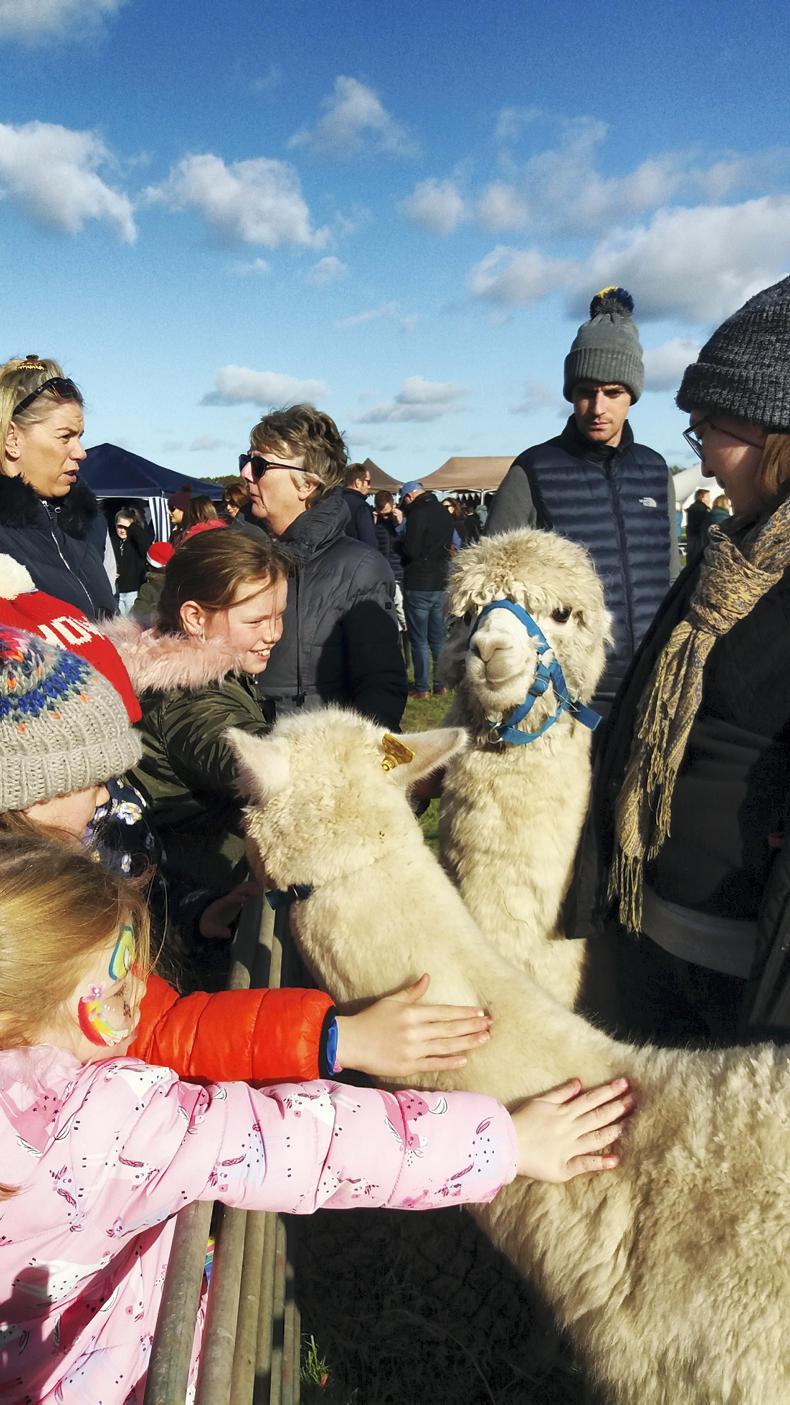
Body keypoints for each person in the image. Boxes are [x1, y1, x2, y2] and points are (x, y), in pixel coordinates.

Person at [0, 832, 632, 1402]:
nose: (140, 997)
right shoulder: (105, 1120)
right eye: (114, 995)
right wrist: (507, 1141)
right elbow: (312, 1141)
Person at [0, 621, 509, 1084]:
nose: (104, 797)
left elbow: (154, 1019)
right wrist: (335, 1041)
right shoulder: (40, 925)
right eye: (88, 781)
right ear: (25, 791)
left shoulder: (68, 867)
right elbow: (159, 1035)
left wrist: (194, 913)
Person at [565, 274, 790, 1048]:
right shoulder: (727, 559)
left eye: (709, 431)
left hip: (749, 977)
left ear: (772, 428)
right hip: (656, 928)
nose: (707, 461)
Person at [485, 289, 680, 715]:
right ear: (571, 394)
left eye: (613, 392)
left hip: (654, 682)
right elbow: (493, 585)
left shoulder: (655, 469)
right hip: (567, 692)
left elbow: (669, 573)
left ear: (632, 394)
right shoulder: (533, 469)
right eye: (586, 392)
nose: (597, 407)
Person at [117, 528, 290, 896]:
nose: (274, 633)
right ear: (195, 617)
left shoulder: (196, 673)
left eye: (279, 616)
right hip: (209, 890)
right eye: (256, 621)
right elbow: (256, 761)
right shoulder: (192, 699)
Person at [239, 403, 406, 728]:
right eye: (245, 461)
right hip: (228, 746)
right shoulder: (227, 554)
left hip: (311, 748)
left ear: (307, 484)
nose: (246, 474)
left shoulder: (359, 568)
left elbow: (380, 691)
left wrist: (345, 754)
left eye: (259, 465)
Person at [0, 354, 115, 618]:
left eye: (80, 437)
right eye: (65, 437)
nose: (81, 453)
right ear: (12, 439)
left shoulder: (90, 524)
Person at [399, 479, 455, 698]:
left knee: (419, 639)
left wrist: (398, 544)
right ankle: (442, 684)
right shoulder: (444, 513)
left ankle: (422, 687)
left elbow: (411, 550)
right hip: (440, 580)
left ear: (409, 496)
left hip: (419, 581)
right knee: (438, 637)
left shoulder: (417, 514)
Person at [113, 506, 151, 615]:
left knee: (132, 621)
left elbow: (146, 545)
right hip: (117, 591)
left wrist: (133, 527)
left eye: (126, 527)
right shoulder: (112, 540)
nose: (122, 530)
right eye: (119, 526)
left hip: (133, 591)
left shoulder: (136, 542)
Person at [342, 461, 378, 547]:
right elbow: (369, 542)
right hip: (357, 553)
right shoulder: (361, 507)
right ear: (358, 482)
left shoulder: (333, 502)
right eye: (368, 482)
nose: (369, 486)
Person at [684, 488, 711, 560]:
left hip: (693, 541)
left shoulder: (695, 507)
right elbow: (704, 526)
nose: (709, 499)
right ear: (702, 498)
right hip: (698, 541)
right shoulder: (701, 509)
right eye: (708, 497)